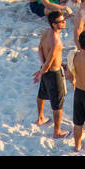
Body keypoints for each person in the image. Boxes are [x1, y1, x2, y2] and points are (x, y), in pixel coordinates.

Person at [34, 9, 68, 138]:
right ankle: (57, 131)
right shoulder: (56, 41)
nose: (64, 22)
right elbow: (50, 62)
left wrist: (42, 68)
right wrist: (41, 71)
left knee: (42, 94)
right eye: (61, 21)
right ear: (54, 24)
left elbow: (40, 48)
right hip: (54, 73)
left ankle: (40, 117)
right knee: (58, 104)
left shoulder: (46, 32)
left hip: (46, 70)